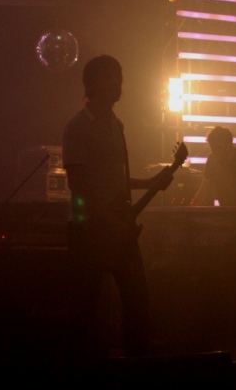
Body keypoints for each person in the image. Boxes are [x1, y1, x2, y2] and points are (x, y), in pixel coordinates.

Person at [62, 55, 173, 360]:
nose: (117, 83)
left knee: (137, 303)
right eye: (110, 77)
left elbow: (116, 180)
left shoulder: (117, 124)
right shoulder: (77, 126)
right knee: (84, 308)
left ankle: (135, 371)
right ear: (92, 83)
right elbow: (78, 186)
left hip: (118, 228)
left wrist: (151, 182)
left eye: (119, 77)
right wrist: (107, 222)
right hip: (90, 232)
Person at [192, 125, 236, 211]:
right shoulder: (213, 158)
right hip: (228, 211)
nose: (214, 151)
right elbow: (203, 191)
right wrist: (191, 212)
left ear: (229, 145)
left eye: (218, 147)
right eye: (212, 148)